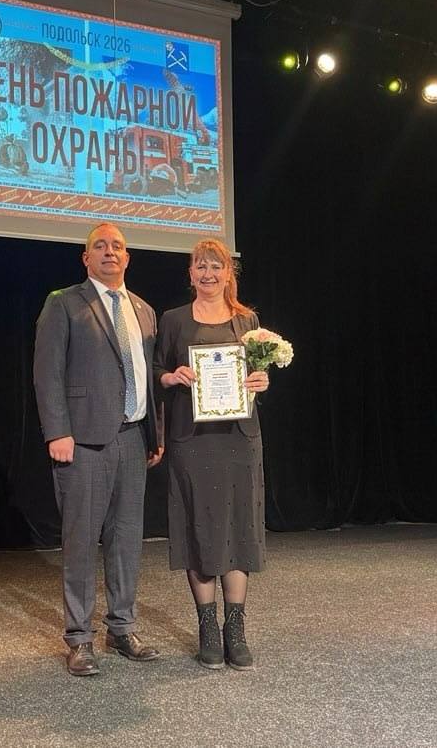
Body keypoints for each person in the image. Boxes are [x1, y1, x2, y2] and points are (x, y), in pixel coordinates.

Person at [33, 222, 164, 676]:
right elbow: (47, 372)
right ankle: (79, 637)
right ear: (85, 258)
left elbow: (148, 376)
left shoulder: (144, 309)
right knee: (82, 540)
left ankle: (122, 628)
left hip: (133, 437)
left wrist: (156, 434)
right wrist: (57, 432)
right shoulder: (64, 303)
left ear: (127, 258)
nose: (110, 252)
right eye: (100, 246)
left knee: (126, 539)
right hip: (83, 441)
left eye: (118, 246)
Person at [153, 238, 269, 670]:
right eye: (200, 266)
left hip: (238, 438)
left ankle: (235, 628)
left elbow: (257, 373)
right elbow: (156, 370)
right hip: (193, 439)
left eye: (216, 266)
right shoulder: (173, 320)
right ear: (191, 274)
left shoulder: (247, 321)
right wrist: (171, 377)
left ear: (228, 273)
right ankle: (207, 626)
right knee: (198, 526)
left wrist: (261, 381)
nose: (208, 274)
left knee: (239, 525)